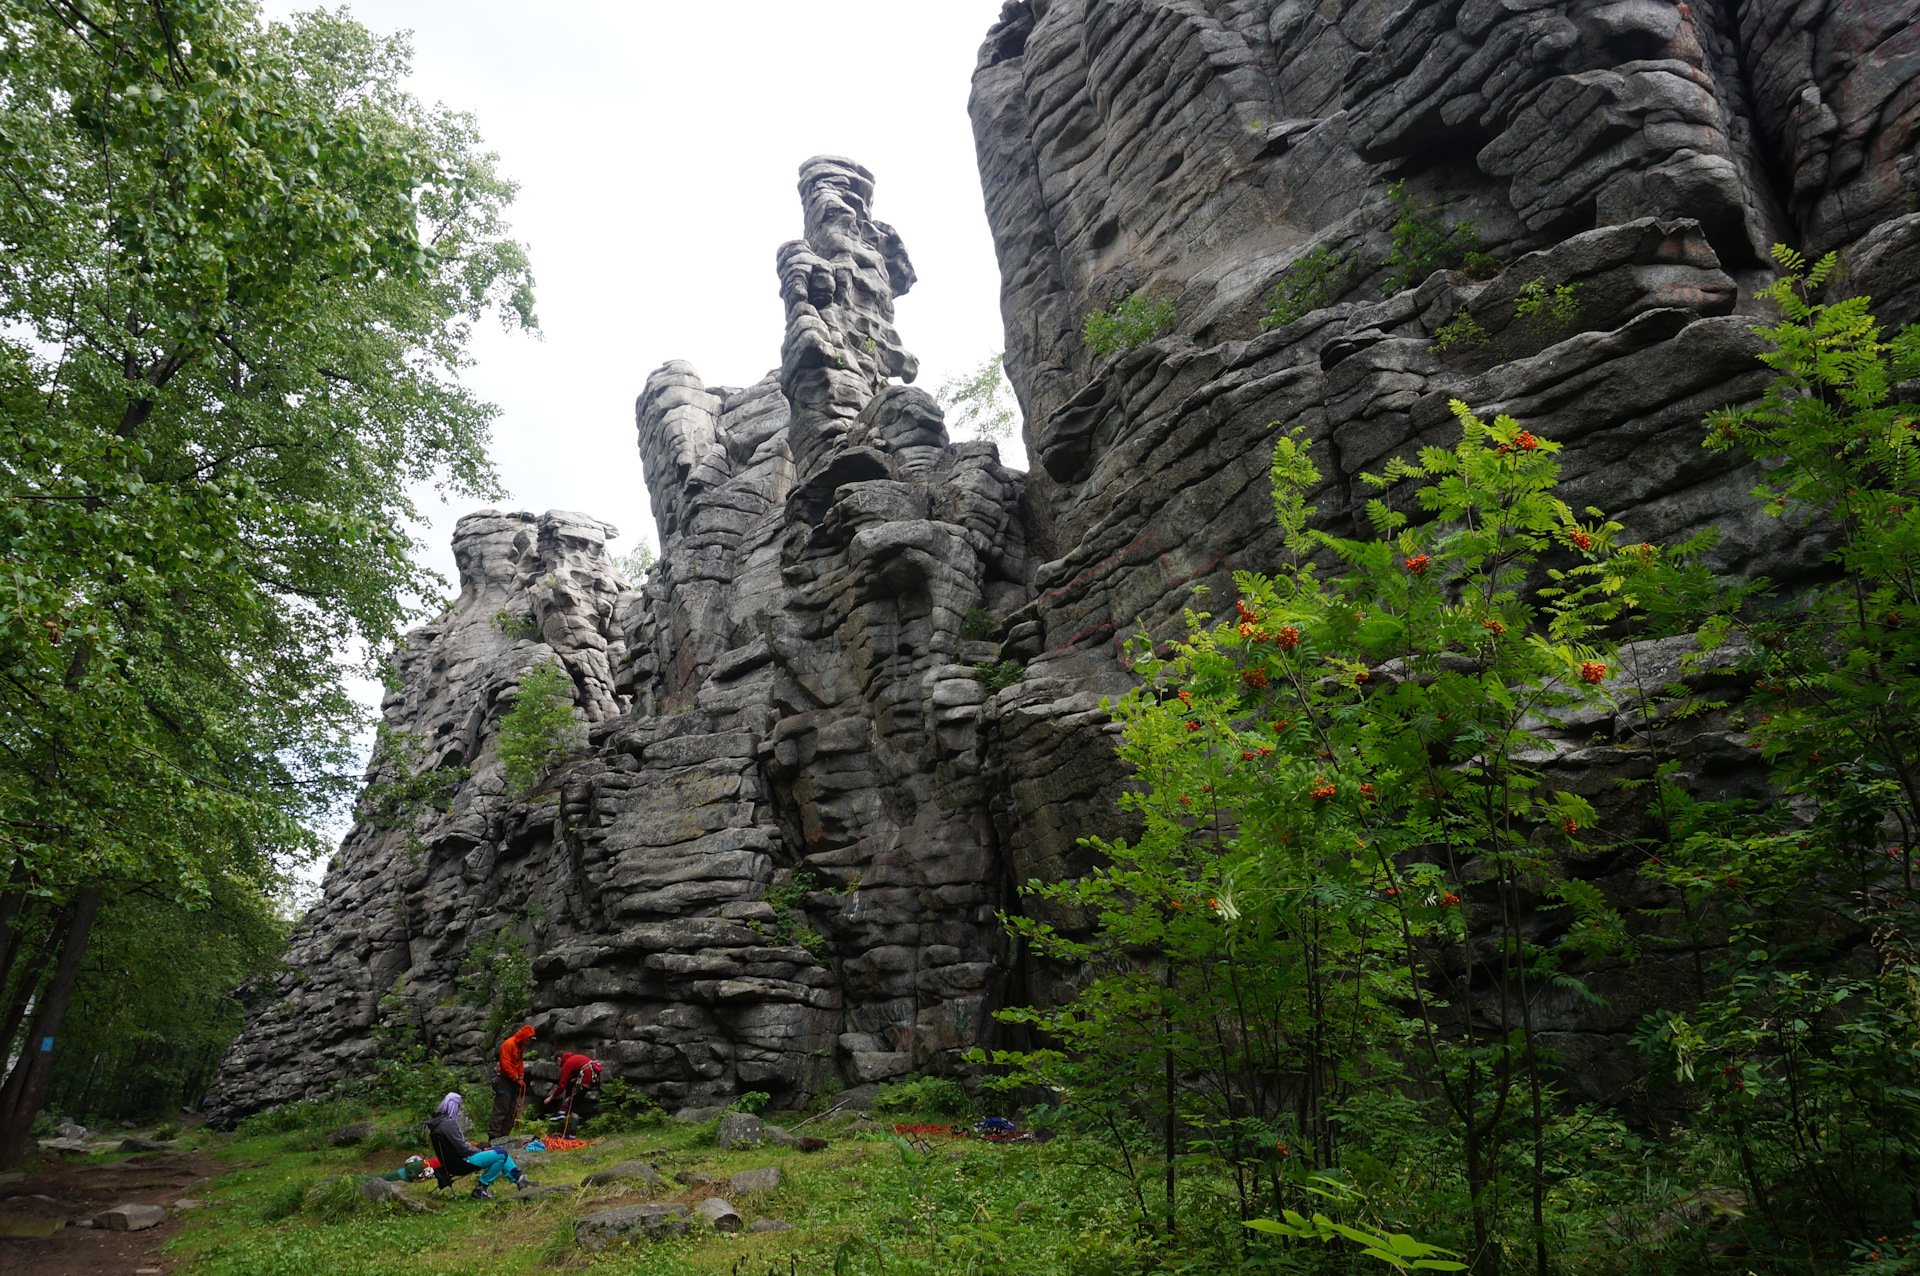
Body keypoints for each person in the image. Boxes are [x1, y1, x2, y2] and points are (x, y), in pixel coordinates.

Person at [426, 1092, 535, 1200]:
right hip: (462, 1162)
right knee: (501, 1154)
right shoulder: (448, 1124)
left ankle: (519, 1180)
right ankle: (481, 1188)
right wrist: (479, 1150)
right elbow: (462, 1148)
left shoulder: (438, 1124)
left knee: (499, 1151)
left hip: (453, 1162)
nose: (459, 1110)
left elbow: (457, 1146)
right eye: (459, 1106)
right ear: (455, 1106)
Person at [487, 1024, 536, 1141]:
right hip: (503, 1080)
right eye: (529, 1038)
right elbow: (505, 1064)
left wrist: (521, 1076)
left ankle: (504, 1136)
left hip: (514, 1081)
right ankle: (493, 1137)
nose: (530, 1041)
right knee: (501, 1110)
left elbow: (519, 1063)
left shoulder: (521, 1046)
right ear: (524, 1037)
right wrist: (515, 1077)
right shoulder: (508, 1045)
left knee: (511, 1110)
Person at [542, 1051, 604, 1135]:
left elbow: (561, 1085)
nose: (560, 1067)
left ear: (559, 1059)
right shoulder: (576, 1058)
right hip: (593, 1078)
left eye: (558, 1064)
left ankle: (563, 1114)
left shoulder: (567, 1063)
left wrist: (550, 1097)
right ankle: (564, 1114)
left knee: (574, 1103)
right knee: (573, 1095)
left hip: (586, 1077)